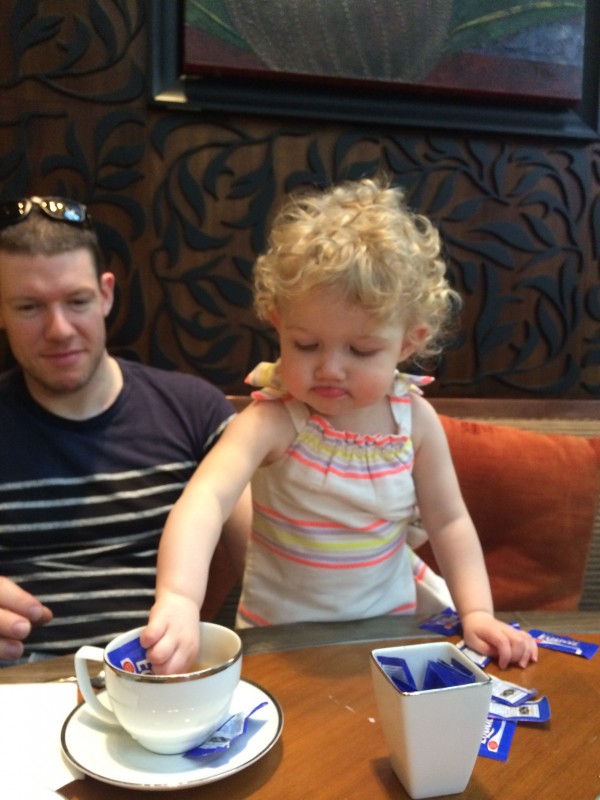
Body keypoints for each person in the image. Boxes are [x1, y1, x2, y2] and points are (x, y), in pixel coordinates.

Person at [142, 177, 538, 674]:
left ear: (407, 344)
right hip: (282, 643)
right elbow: (204, 502)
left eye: (361, 350)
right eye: (306, 345)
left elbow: (449, 522)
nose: (330, 368)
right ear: (276, 321)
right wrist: (179, 597)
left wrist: (477, 611)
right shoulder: (273, 420)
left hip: (387, 637)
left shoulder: (414, 422)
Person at [0, 196, 251, 662]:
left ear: (107, 294)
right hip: (20, 692)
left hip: (165, 685)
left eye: (77, 301)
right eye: (29, 307)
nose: (59, 330)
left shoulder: (196, 411)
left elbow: (272, 564)